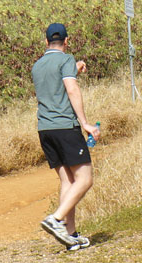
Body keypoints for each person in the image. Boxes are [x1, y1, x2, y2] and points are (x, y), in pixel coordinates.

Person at [32, 22, 100, 251]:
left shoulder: (37, 65)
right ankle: (56, 219)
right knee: (85, 179)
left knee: (67, 181)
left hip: (45, 129)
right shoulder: (66, 60)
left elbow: (56, 84)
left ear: (46, 42)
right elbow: (71, 89)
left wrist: (74, 68)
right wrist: (85, 123)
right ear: (67, 41)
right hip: (65, 128)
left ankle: (70, 235)